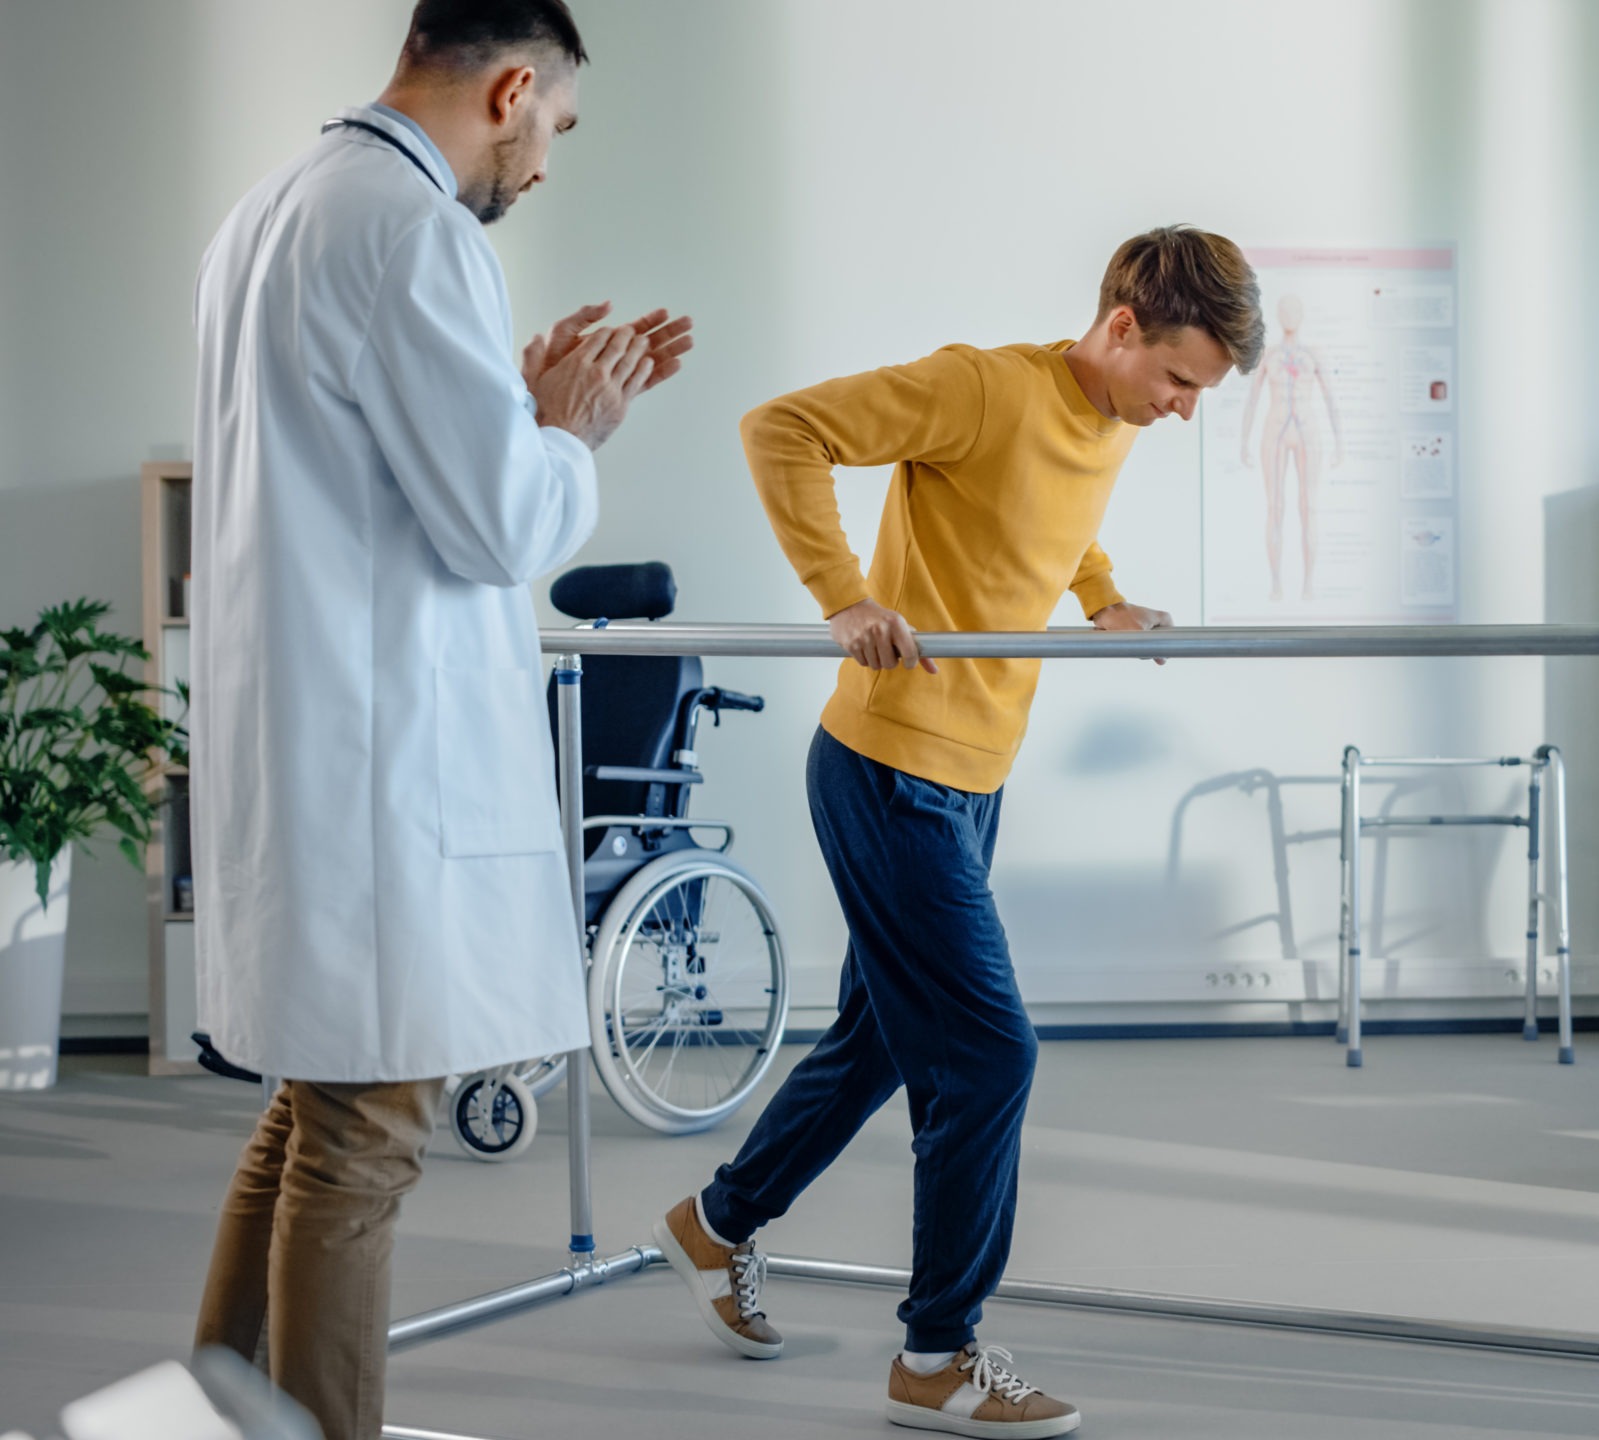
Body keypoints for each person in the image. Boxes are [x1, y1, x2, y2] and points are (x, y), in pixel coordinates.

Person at [650, 227, 1262, 1437]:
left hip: (971, 778)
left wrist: (1101, 599)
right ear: (1124, 326)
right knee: (989, 1056)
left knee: (881, 1042)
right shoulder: (981, 386)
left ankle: (716, 1224)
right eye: (1180, 382)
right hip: (889, 770)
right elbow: (781, 428)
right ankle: (936, 1357)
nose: (1184, 411)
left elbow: (1052, 519)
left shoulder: (1107, 419)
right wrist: (844, 595)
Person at [187, 3, 692, 1436]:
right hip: (377, 768)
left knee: (311, 1114)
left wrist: (513, 405)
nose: (542, 167)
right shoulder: (416, 230)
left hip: (311, 740)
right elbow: (496, 522)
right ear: (515, 88)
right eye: (557, 130)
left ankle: (219, 1415)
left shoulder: (272, 210)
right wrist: (569, 432)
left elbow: (382, 465)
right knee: (362, 1139)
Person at [1233, 293, 1343, 600]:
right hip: (1275, 428)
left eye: (1294, 309)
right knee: (1275, 507)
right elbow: (1253, 399)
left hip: (1307, 428)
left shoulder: (1313, 353)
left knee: (1309, 506)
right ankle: (1276, 584)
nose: (1289, 314)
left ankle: (1308, 584)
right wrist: (1243, 440)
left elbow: (1330, 398)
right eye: (1284, 309)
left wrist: (1339, 442)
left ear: (1303, 313)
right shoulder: (1269, 354)